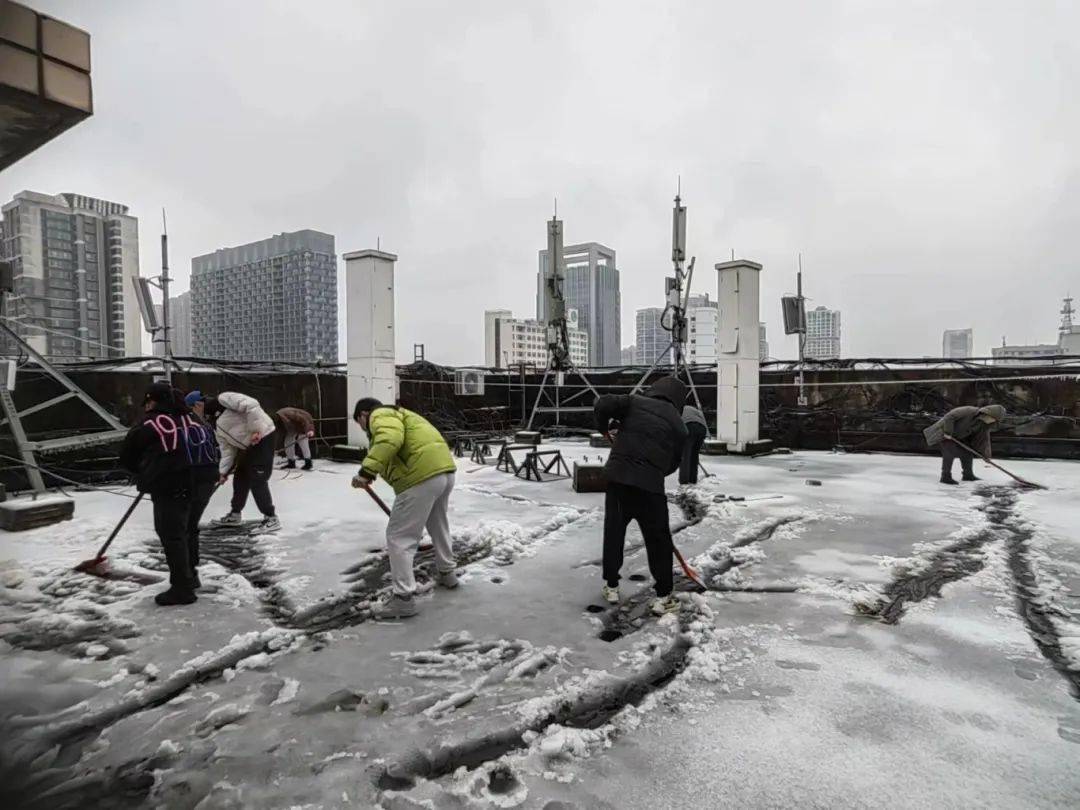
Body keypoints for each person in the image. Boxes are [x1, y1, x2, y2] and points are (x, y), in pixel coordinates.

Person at [351, 397, 458, 619]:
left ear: (363, 414)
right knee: (438, 524)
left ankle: (403, 600)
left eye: (359, 423)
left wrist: (365, 473)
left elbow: (389, 440)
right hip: (443, 473)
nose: (363, 428)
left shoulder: (380, 415)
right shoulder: (404, 415)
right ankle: (448, 573)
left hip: (421, 477)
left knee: (399, 537)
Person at [594, 376, 688, 615]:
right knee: (658, 541)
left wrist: (604, 430)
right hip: (650, 488)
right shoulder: (680, 426)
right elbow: (673, 464)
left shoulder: (633, 402)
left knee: (614, 532)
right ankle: (664, 596)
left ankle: (611, 586)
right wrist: (653, 470)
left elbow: (603, 403)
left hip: (618, 481)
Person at [119, 382, 196, 606]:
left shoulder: (149, 423)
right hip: (190, 482)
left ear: (152, 400)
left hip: (165, 485)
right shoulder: (185, 420)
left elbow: (127, 455)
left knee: (171, 536)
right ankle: (189, 579)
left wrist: (142, 473)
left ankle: (183, 589)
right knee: (182, 532)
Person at [198, 391, 280, 532]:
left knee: (257, 478)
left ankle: (271, 517)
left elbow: (251, 405)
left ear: (198, 405)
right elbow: (228, 451)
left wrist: (256, 430)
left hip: (263, 436)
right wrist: (222, 473)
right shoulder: (214, 423)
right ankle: (235, 514)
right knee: (241, 475)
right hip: (247, 446)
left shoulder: (223, 399)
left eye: (192, 409)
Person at [181, 390, 222, 587]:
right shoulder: (198, 425)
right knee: (190, 525)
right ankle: (190, 568)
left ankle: (189, 569)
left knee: (188, 525)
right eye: (203, 402)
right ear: (196, 405)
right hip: (201, 480)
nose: (206, 404)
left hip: (199, 480)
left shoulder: (195, 424)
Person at [923, 404, 1007, 485]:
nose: (992, 421)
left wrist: (986, 455)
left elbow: (984, 440)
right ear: (988, 413)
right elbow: (950, 416)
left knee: (968, 453)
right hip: (946, 434)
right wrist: (948, 432)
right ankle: (945, 476)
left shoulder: (983, 425)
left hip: (961, 438)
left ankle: (968, 475)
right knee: (949, 452)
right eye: (993, 419)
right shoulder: (968, 411)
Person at [679, 403, 708, 485]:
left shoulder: (677, 409)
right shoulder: (693, 409)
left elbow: (675, 425)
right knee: (694, 456)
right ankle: (692, 480)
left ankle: (684, 482)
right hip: (702, 429)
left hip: (689, 426)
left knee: (685, 457)